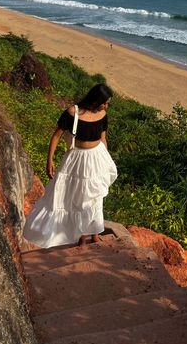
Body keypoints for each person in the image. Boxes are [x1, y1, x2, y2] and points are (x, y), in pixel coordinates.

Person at [23, 83, 118, 247]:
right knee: (77, 199)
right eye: (105, 102)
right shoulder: (72, 113)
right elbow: (56, 136)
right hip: (76, 160)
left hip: (97, 157)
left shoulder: (102, 114)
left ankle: (95, 235)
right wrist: (50, 159)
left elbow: (103, 138)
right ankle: (81, 237)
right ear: (96, 100)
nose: (106, 106)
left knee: (95, 198)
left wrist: (106, 161)